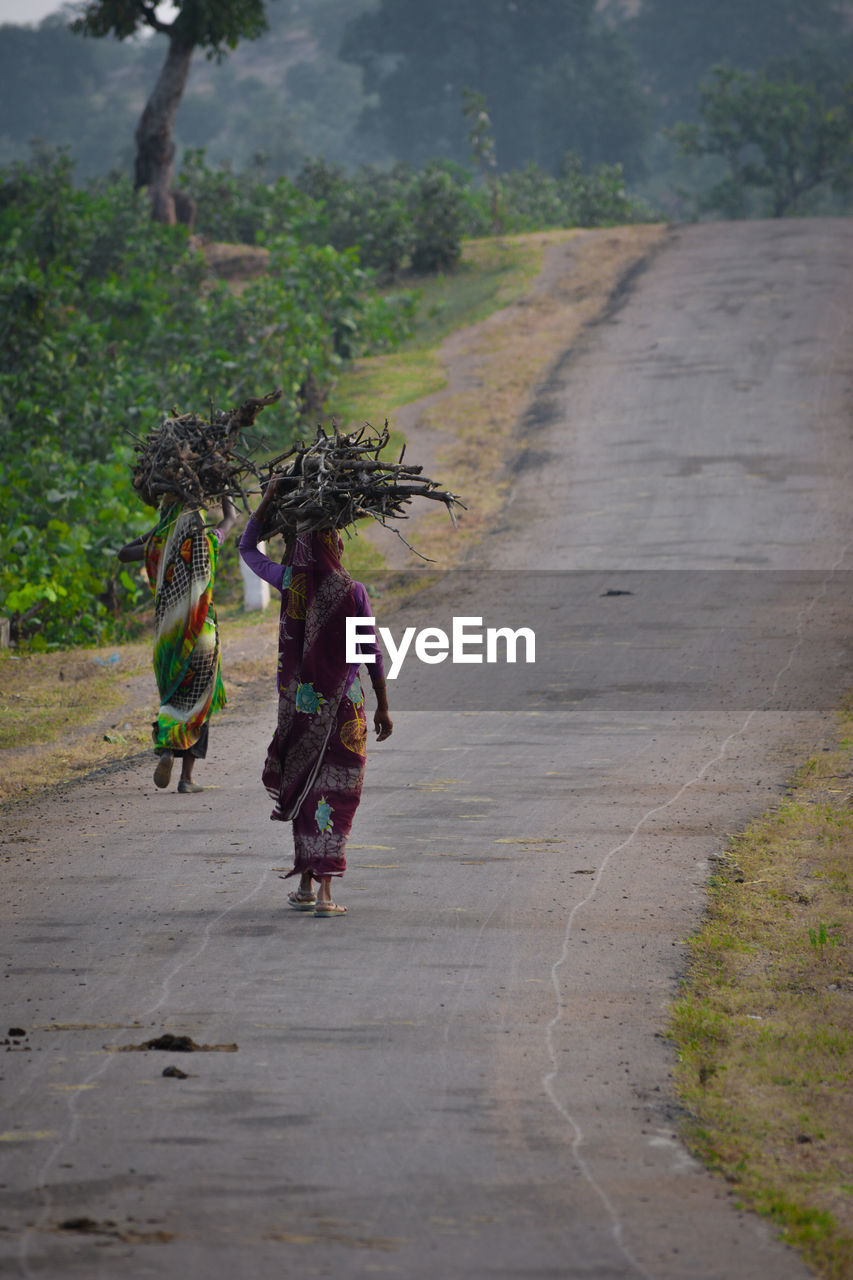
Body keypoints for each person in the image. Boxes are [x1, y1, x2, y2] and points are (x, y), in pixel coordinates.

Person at [239, 479, 392, 917]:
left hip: (302, 712)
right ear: (334, 544)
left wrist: (266, 503)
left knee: (307, 790)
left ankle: (306, 886)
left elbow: (249, 550)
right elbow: (370, 652)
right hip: (345, 711)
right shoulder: (352, 590)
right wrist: (382, 705)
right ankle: (325, 893)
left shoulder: (290, 581)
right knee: (336, 795)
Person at [118, 496, 237, 793]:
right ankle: (187, 778)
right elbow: (230, 520)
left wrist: (159, 530)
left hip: (168, 639)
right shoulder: (207, 540)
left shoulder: (158, 547)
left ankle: (168, 750)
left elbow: (122, 553)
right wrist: (225, 497)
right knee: (200, 703)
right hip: (202, 636)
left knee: (173, 699)